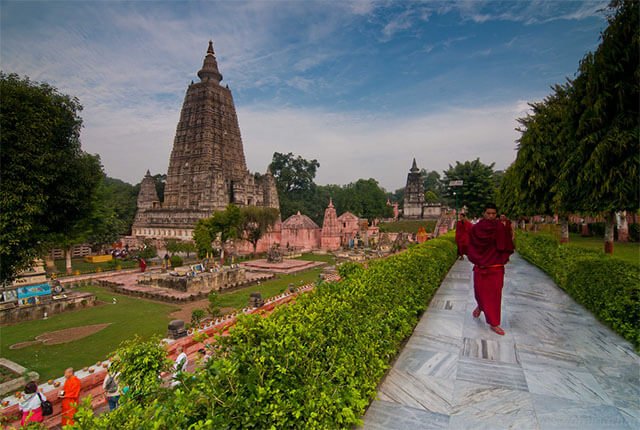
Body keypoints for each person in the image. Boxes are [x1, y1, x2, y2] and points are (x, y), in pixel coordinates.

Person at [467, 203, 515, 336]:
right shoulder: (477, 228)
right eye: (488, 213)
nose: (491, 216)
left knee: (494, 295)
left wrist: (503, 256)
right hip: (481, 267)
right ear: (484, 213)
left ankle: (494, 323)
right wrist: (478, 259)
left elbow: (507, 244)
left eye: (493, 214)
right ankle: (481, 306)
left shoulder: (500, 227)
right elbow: (472, 245)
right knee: (479, 292)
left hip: (495, 267)